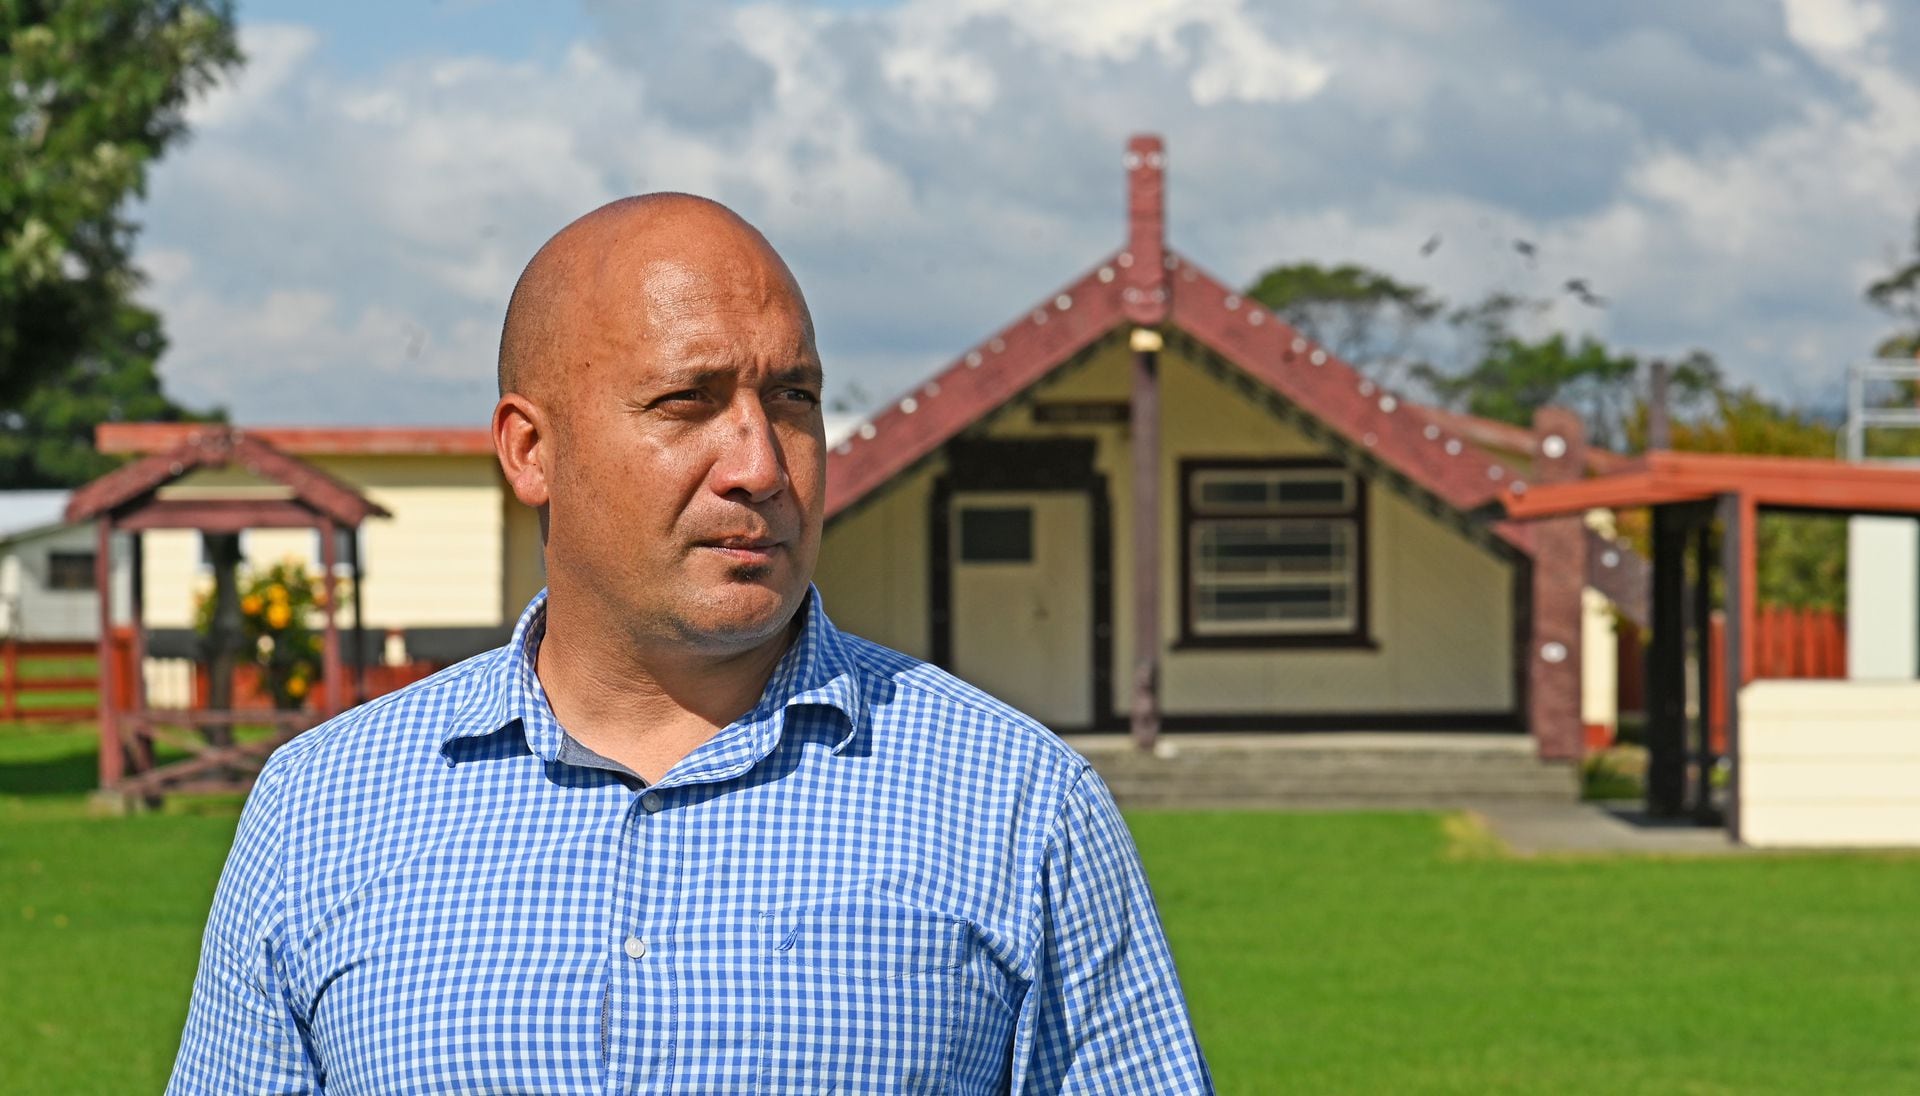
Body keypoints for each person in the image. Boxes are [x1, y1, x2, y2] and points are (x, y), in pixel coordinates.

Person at [168, 194, 1213, 1093]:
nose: (760, 461)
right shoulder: (323, 811)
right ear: (531, 451)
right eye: (688, 401)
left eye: (793, 399)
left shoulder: (1018, 805)